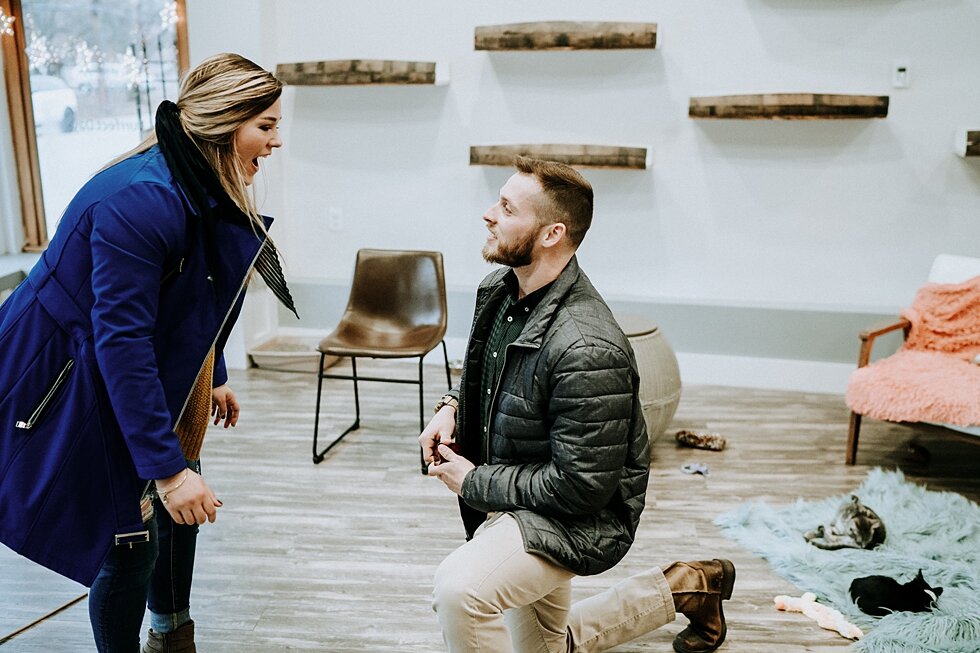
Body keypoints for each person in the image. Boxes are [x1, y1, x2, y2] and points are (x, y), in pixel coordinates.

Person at [0, 53, 296, 652]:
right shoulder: (142, 199)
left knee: (177, 501)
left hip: (120, 364)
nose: (277, 141)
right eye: (265, 125)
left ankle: (170, 632)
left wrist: (210, 375)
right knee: (124, 530)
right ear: (223, 122)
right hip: (65, 371)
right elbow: (123, 341)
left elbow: (194, 294)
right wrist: (166, 470)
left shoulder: (196, 177)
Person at [419, 156, 736, 653]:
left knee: (461, 592)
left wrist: (473, 481)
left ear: (551, 234)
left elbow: (581, 488)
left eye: (505, 207)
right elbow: (493, 375)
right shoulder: (500, 291)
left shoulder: (588, 347)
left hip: (574, 517)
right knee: (543, 650)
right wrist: (451, 406)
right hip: (522, 489)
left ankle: (687, 587)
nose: (488, 214)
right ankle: (687, 586)